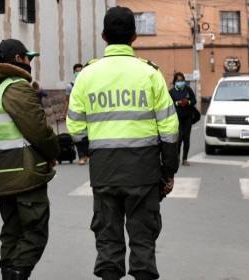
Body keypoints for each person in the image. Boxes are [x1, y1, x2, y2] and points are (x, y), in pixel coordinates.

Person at [66, 6, 179, 280]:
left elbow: (75, 125)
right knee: (143, 239)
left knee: (107, 239)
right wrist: (168, 170)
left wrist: (88, 151)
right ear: (134, 37)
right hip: (143, 171)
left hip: (104, 170)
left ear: (103, 36)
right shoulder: (150, 74)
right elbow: (169, 127)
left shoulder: (87, 75)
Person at [0, 39, 59, 280]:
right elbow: (38, 130)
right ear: (17, 59)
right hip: (25, 172)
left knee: (12, 233)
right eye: (27, 57)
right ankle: (16, 274)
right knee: (35, 232)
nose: (30, 63)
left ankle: (9, 274)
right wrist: (53, 152)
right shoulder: (16, 87)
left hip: (2, 172)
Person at [63, 63, 89, 165]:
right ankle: (82, 156)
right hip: (75, 114)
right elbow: (67, 100)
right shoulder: (70, 86)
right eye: (76, 71)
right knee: (77, 134)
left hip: (86, 112)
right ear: (73, 72)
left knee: (87, 134)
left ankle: (87, 153)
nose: (78, 73)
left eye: (80, 70)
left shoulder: (87, 84)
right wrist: (64, 113)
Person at [169, 72, 197, 166]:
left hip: (188, 117)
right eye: (178, 80)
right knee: (179, 138)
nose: (180, 82)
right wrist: (178, 103)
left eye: (182, 80)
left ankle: (185, 159)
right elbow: (169, 104)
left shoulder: (188, 89)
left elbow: (194, 100)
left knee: (186, 138)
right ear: (175, 81)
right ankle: (177, 157)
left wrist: (188, 102)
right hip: (177, 118)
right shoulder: (171, 92)